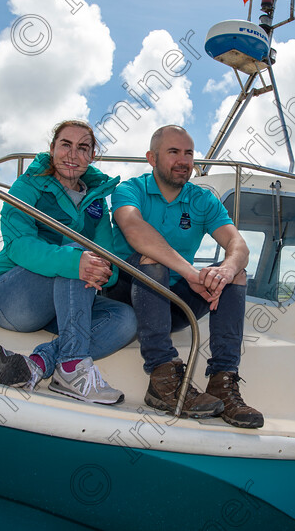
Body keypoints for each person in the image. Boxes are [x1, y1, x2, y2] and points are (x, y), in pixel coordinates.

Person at [109, 125, 263, 428]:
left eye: (189, 153)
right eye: (173, 152)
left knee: (236, 274)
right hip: (124, 294)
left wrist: (226, 270)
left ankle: (222, 381)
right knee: (152, 259)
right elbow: (135, 231)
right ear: (151, 158)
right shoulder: (130, 189)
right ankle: (162, 377)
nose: (183, 160)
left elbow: (238, 245)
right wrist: (190, 272)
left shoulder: (202, 199)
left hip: (170, 303)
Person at [0, 120, 136, 405]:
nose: (72, 154)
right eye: (66, 144)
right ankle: (72, 366)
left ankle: (40, 363)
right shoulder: (28, 185)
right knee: (78, 252)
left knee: (126, 320)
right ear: (52, 149)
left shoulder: (96, 200)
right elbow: (18, 245)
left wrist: (102, 271)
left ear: (92, 156)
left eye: (83, 148)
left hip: (62, 304)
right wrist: (76, 261)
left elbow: (110, 262)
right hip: (9, 297)